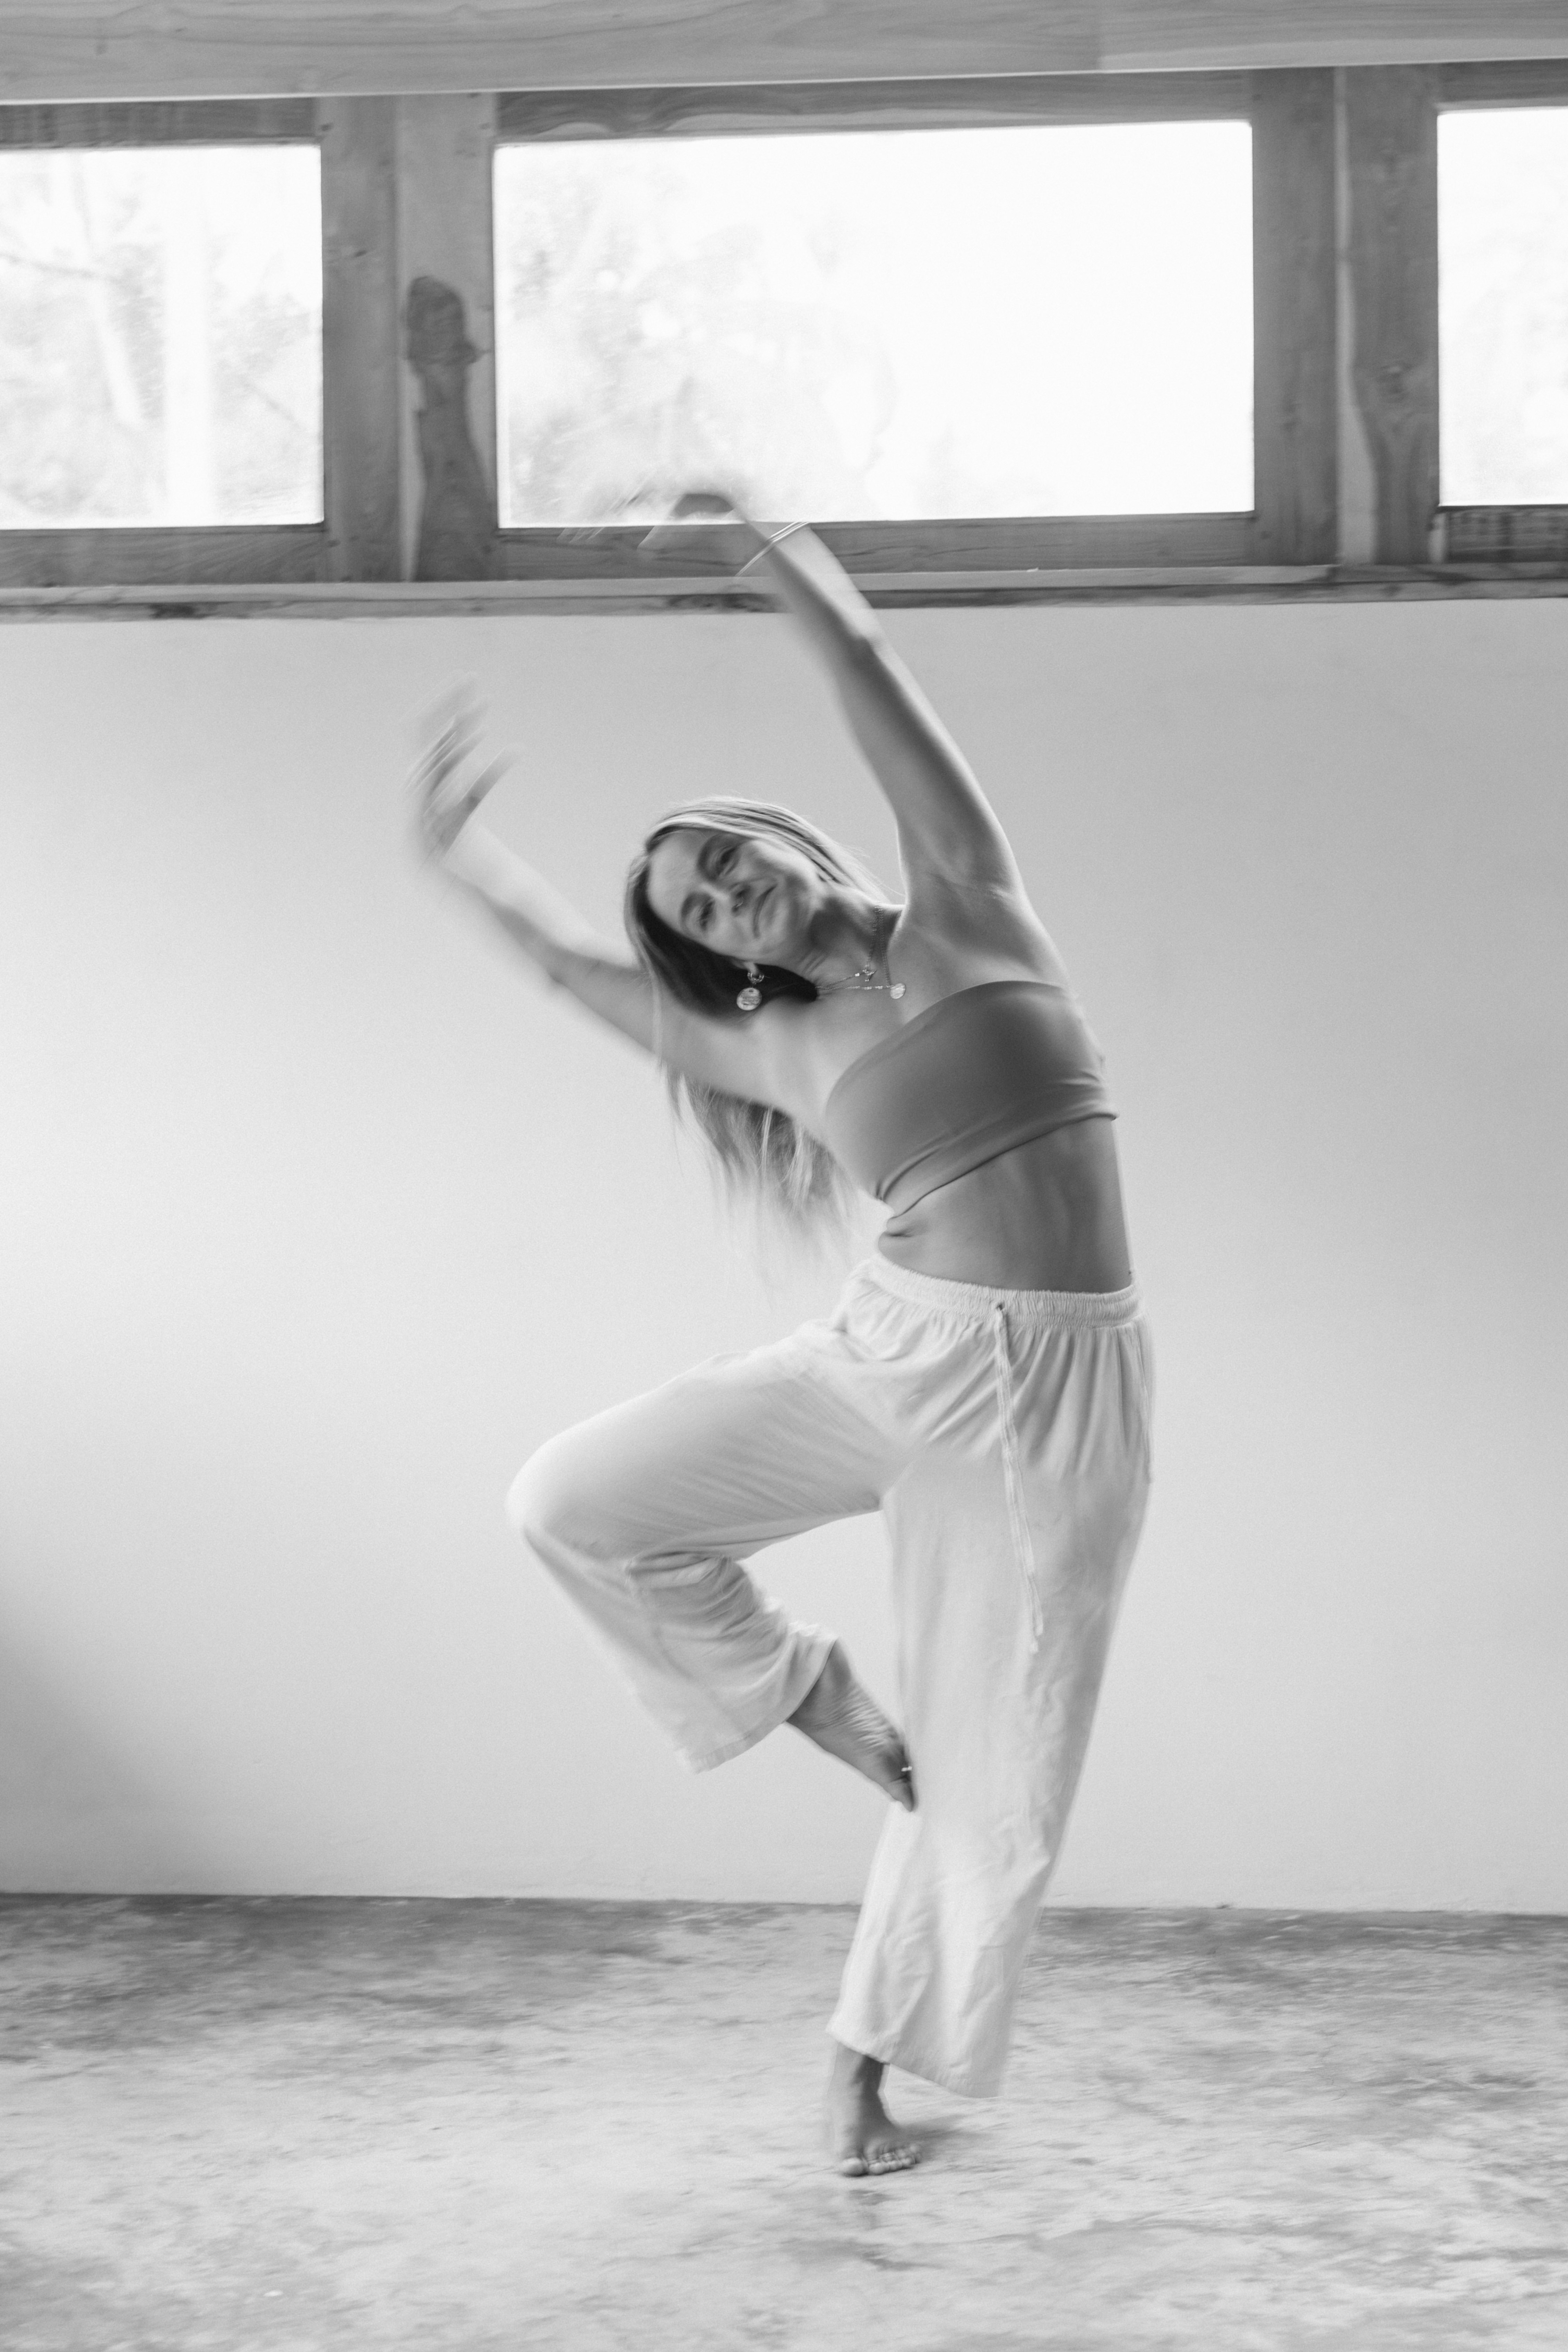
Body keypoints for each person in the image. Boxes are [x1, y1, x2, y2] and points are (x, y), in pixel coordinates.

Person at [413, 506, 1153, 2178]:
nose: (723, 890)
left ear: (775, 840)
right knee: (571, 1498)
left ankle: (862, 2066)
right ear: (724, 961)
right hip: (894, 1345)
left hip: (1052, 1400)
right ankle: (793, 1683)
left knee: (994, 1759)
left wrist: (774, 549)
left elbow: (877, 676)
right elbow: (563, 971)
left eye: (719, 854)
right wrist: (462, 858)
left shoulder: (970, 911)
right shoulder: (771, 1051)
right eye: (698, 906)